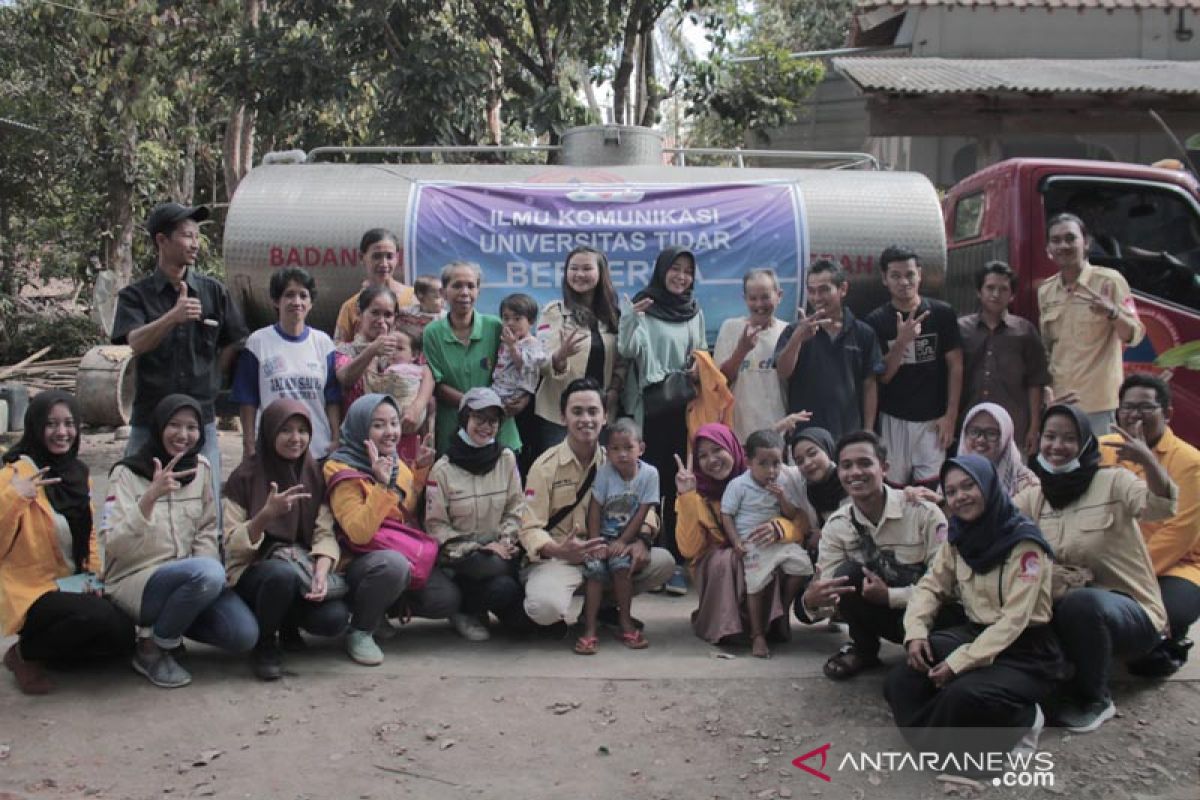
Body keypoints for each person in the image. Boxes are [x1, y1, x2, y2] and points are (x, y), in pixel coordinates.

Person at [885, 455, 1063, 768]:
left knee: (962, 697)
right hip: (975, 633)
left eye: (969, 485)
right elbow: (930, 586)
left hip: (1025, 650)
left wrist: (959, 662)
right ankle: (945, 747)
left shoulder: (1024, 543)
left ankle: (1023, 718)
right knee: (903, 678)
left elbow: (1015, 620)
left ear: (989, 486)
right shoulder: (959, 537)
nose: (960, 497)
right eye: (951, 491)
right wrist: (915, 633)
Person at [1014, 404, 1175, 732]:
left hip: (1131, 613)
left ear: (1086, 443)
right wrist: (934, 502)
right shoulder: (1036, 497)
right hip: (1069, 610)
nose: (1057, 446)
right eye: (1050, 436)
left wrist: (1147, 460)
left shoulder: (1113, 481)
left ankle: (1096, 699)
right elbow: (996, 523)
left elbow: (1161, 506)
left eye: (1069, 438)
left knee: (1081, 603)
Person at [103, 395, 259, 688]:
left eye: (192, 427)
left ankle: (167, 632)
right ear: (159, 426)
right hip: (136, 581)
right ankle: (151, 649)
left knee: (243, 635)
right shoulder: (126, 473)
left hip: (190, 579)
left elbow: (206, 528)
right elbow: (113, 546)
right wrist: (149, 499)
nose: (183, 435)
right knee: (206, 573)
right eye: (174, 425)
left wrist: (209, 571)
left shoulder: (201, 468)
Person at [111, 202, 248, 509]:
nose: (195, 244)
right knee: (135, 498)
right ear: (162, 241)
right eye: (187, 236)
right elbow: (135, 342)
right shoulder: (136, 296)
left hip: (201, 420)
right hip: (149, 420)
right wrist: (172, 317)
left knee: (208, 504)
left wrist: (213, 378)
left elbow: (235, 340)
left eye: (196, 236)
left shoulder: (213, 292)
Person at [1, 392, 133, 695]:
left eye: (69, 423)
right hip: (31, 588)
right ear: (34, 427)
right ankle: (24, 654)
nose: (62, 432)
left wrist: (94, 575)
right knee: (94, 617)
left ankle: (55, 652)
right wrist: (13, 497)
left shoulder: (77, 473)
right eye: (51, 424)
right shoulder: (13, 475)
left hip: (71, 582)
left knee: (122, 635)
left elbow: (88, 533)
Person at [519, 378, 674, 631]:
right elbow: (529, 528)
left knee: (662, 562)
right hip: (560, 560)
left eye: (593, 411)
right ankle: (569, 604)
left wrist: (642, 540)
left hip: (606, 555)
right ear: (563, 417)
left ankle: (602, 608)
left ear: (605, 417)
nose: (586, 419)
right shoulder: (544, 466)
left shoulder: (618, 459)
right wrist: (560, 550)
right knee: (544, 608)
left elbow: (645, 507)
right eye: (577, 412)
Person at [798, 431, 950, 681]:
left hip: (931, 617)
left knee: (928, 672)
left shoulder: (923, 513)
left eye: (865, 463)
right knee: (846, 575)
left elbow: (945, 585)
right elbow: (830, 590)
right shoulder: (837, 526)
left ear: (884, 468)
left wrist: (889, 597)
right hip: (884, 618)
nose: (855, 472)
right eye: (846, 466)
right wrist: (812, 601)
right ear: (839, 473)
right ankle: (864, 650)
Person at [324, 394, 459, 666]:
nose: (390, 433)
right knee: (394, 566)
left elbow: (404, 510)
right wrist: (381, 485)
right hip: (359, 559)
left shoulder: (396, 462)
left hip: (395, 549)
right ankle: (361, 629)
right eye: (378, 425)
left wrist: (419, 471)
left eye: (394, 423)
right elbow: (358, 532)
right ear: (360, 428)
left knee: (446, 599)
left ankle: (381, 610)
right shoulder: (339, 467)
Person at [223, 400, 349, 681]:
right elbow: (231, 545)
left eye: (303, 430)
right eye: (286, 430)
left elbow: (324, 531)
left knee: (334, 618)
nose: (296, 438)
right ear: (269, 432)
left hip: (300, 565)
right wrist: (265, 516)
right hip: (254, 572)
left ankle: (289, 625)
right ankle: (265, 643)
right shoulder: (244, 476)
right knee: (279, 576)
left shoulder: (314, 473)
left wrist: (320, 570)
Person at [619, 246, 708, 595]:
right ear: (661, 271)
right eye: (675, 269)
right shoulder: (645, 305)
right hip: (649, 407)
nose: (681, 276)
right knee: (648, 486)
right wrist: (630, 318)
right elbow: (628, 350)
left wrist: (695, 366)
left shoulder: (694, 310)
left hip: (682, 409)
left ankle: (674, 562)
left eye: (687, 271)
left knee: (676, 483)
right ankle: (646, 558)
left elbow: (699, 352)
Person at [1099, 375, 1200, 676]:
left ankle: (1164, 643)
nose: (1134, 415)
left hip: (1175, 565)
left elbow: (1178, 534)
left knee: (1170, 610)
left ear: (1167, 413)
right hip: (1112, 559)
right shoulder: (1103, 448)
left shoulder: (1190, 462)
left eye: (1145, 407)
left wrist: (1126, 577)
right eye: (1128, 407)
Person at [675, 423, 802, 646]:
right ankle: (729, 626)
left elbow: (800, 521)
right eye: (703, 455)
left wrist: (777, 528)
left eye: (717, 450)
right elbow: (688, 549)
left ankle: (774, 620)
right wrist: (687, 498)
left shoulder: (763, 477)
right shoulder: (695, 494)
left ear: (733, 449)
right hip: (716, 563)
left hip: (760, 547)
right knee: (729, 559)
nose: (712, 459)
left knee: (778, 555)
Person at [424, 388, 528, 642]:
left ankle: (491, 607)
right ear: (464, 419)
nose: (486, 427)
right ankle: (465, 608)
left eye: (493, 421)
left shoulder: (506, 459)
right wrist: (478, 549)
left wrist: (504, 542)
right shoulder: (442, 469)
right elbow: (436, 527)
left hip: (501, 553)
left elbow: (516, 508)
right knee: (490, 567)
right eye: (479, 418)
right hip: (463, 559)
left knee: (522, 619)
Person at [864, 246, 963, 486]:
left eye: (909, 274)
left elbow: (956, 366)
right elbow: (883, 377)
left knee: (932, 493)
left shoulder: (942, 313)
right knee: (893, 491)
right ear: (884, 279)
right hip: (893, 420)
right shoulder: (875, 321)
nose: (904, 282)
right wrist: (901, 343)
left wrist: (951, 416)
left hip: (933, 421)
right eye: (895, 276)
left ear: (920, 274)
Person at [1038, 213, 1144, 433]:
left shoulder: (1109, 281)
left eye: (1070, 238)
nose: (1063, 245)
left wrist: (1112, 312)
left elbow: (1134, 336)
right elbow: (1047, 348)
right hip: (1061, 402)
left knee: (1101, 464)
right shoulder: (1046, 291)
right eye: (1056, 240)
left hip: (1100, 405)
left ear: (1086, 243)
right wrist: (1048, 392)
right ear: (1048, 248)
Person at [719, 429, 813, 658]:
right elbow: (727, 515)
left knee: (803, 566)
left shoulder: (781, 483)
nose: (771, 470)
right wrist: (736, 541)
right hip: (752, 543)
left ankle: (782, 611)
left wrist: (781, 497)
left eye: (776, 463)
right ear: (749, 462)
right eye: (763, 464)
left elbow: (791, 515)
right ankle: (757, 635)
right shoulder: (738, 486)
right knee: (755, 585)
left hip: (778, 540)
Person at [230, 267, 341, 461]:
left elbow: (332, 398)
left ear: (311, 303)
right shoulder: (258, 342)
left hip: (316, 451)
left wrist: (335, 438)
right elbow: (248, 399)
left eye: (303, 296)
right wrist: (249, 445)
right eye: (289, 295)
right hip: (271, 450)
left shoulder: (323, 343)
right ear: (275, 300)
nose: (296, 302)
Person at [530, 247, 626, 459]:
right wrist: (560, 356)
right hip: (559, 416)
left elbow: (622, 361)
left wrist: (614, 391)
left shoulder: (613, 315)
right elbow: (542, 362)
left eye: (586, 268)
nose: (579, 274)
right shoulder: (554, 312)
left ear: (600, 273)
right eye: (573, 268)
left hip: (599, 414)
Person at [775, 259, 883, 442]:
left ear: (843, 289)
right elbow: (783, 372)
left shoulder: (863, 333)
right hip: (805, 436)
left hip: (849, 434)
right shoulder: (794, 330)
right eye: (811, 290)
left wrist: (868, 430)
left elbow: (870, 384)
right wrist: (798, 338)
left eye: (824, 289)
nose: (817, 297)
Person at [576, 418, 659, 655]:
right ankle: (589, 628)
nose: (622, 454)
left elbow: (643, 511)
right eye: (615, 449)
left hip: (627, 538)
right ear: (607, 451)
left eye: (628, 448)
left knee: (622, 568)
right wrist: (595, 542)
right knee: (595, 572)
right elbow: (595, 508)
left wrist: (624, 541)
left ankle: (625, 622)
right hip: (602, 537)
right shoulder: (604, 473)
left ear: (640, 449)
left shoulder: (650, 474)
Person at [423, 261, 520, 454]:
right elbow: (437, 384)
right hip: (454, 430)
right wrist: (478, 405)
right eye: (457, 285)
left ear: (478, 291)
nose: (465, 292)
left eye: (471, 286)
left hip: (498, 428)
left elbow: (517, 367)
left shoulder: (494, 326)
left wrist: (519, 401)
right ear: (444, 293)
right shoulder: (432, 332)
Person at [958, 261, 1051, 456]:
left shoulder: (1024, 331)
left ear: (1012, 295)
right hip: (969, 426)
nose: (995, 294)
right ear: (979, 291)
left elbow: (1036, 382)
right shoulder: (961, 329)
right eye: (990, 288)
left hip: (1013, 427)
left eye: (1003, 289)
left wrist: (1034, 427)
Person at [334, 286, 434, 461]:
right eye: (375, 313)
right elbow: (345, 378)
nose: (381, 321)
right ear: (360, 313)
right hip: (361, 445)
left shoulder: (401, 351)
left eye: (388, 315)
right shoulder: (345, 351)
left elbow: (427, 373)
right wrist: (372, 350)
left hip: (403, 441)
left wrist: (417, 407)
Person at [714, 269, 788, 442]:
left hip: (779, 433)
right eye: (753, 298)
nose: (759, 304)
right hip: (739, 434)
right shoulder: (730, 328)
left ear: (779, 296)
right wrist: (742, 350)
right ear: (745, 299)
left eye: (765, 297)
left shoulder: (787, 331)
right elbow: (719, 382)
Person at [493, 293, 549, 465]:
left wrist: (512, 346)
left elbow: (522, 365)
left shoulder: (531, 343)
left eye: (517, 318)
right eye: (506, 318)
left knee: (520, 445)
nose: (510, 323)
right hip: (499, 389)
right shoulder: (505, 340)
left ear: (531, 321)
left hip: (517, 396)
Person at [333, 229, 415, 343]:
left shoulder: (415, 299)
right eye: (377, 256)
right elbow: (338, 354)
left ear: (397, 258)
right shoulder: (351, 307)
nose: (384, 263)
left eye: (389, 256)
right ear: (362, 257)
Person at [780, 427, 847, 561]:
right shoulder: (803, 482)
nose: (807, 463)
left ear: (828, 450)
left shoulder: (848, 480)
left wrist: (825, 535)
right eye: (799, 461)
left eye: (812, 453)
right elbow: (770, 462)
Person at [957, 403, 1039, 498]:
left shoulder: (1027, 484)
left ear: (1005, 438)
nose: (980, 440)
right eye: (974, 432)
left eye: (991, 433)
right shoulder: (953, 476)